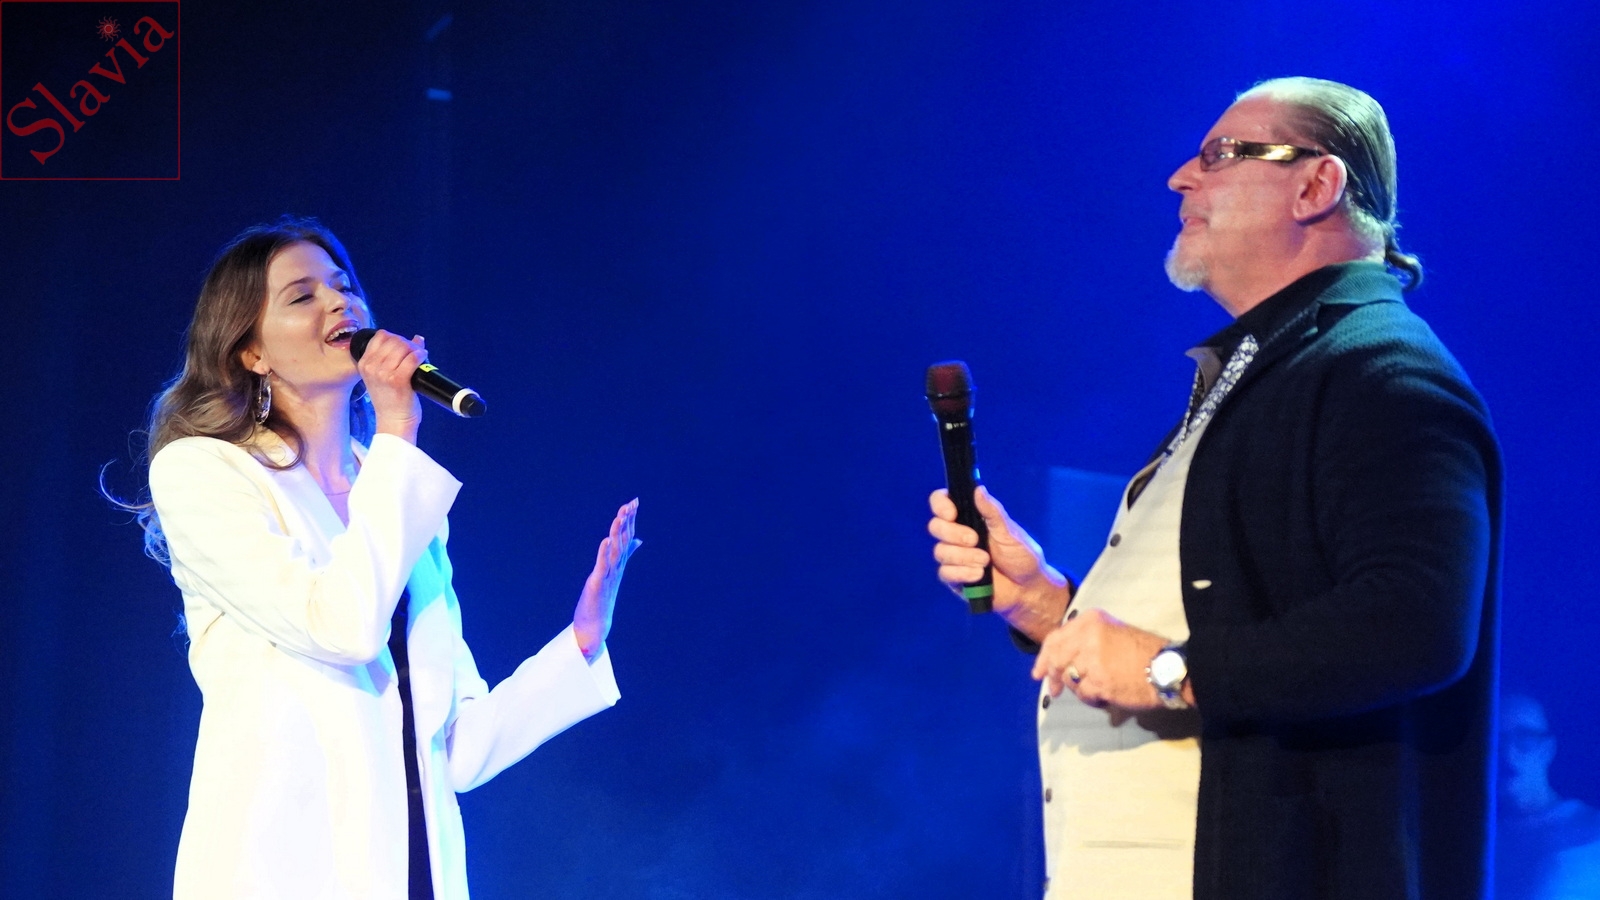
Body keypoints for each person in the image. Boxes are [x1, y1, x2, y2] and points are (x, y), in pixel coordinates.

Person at [927, 77, 1500, 900]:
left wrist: (1170, 670)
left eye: (1222, 155)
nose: (1180, 178)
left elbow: (1415, 623)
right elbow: (1227, 613)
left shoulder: (1382, 369)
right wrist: (1051, 608)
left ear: (1317, 185)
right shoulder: (1267, 370)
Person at [126, 218, 640, 899]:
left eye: (344, 287)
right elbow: (341, 628)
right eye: (303, 296)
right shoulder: (205, 471)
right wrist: (399, 428)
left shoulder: (392, 489)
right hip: (281, 873)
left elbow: (457, 748)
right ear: (251, 352)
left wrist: (581, 642)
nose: (338, 303)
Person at [1497, 693, 1600, 900]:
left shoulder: (1593, 832)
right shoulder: (1474, 839)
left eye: (1525, 738)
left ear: (1547, 748)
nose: (1508, 752)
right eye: (1497, 739)